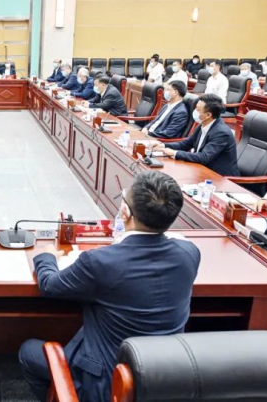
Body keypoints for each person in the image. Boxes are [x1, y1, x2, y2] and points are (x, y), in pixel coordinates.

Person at [18, 171, 200, 402]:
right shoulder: (189, 254)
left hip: (108, 386)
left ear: (125, 212)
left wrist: (47, 256)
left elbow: (49, 285)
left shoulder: (101, 262)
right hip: (163, 381)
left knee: (28, 351)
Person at [152, 93, 240, 176]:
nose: (194, 111)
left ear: (208, 115)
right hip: (201, 170)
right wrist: (163, 145)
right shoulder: (204, 124)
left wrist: (174, 153)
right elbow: (185, 144)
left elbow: (204, 157)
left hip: (220, 178)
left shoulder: (221, 133)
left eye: (198, 109)